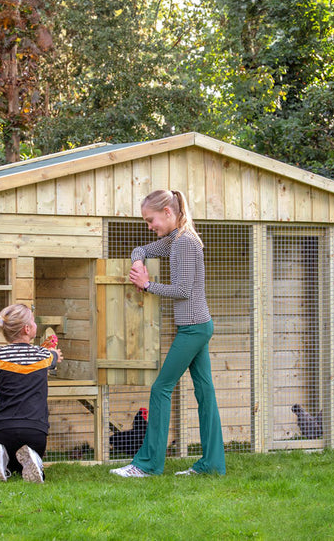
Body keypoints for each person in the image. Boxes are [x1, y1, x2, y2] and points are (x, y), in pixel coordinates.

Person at [110, 189, 225, 478]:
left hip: (194, 329)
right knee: (205, 394)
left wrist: (147, 285)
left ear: (167, 212)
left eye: (151, 220)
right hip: (196, 326)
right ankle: (212, 465)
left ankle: (148, 465)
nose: (150, 226)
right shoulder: (173, 240)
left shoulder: (184, 243)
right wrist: (138, 261)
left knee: (160, 388)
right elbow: (143, 249)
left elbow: (183, 291)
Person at [0, 303, 63, 483]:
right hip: (35, 429)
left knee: (12, 464)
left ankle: (2, 460)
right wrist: (54, 353)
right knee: (30, 460)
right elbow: (55, 358)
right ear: (27, 329)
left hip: (4, 429)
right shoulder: (44, 355)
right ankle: (34, 460)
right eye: (33, 321)